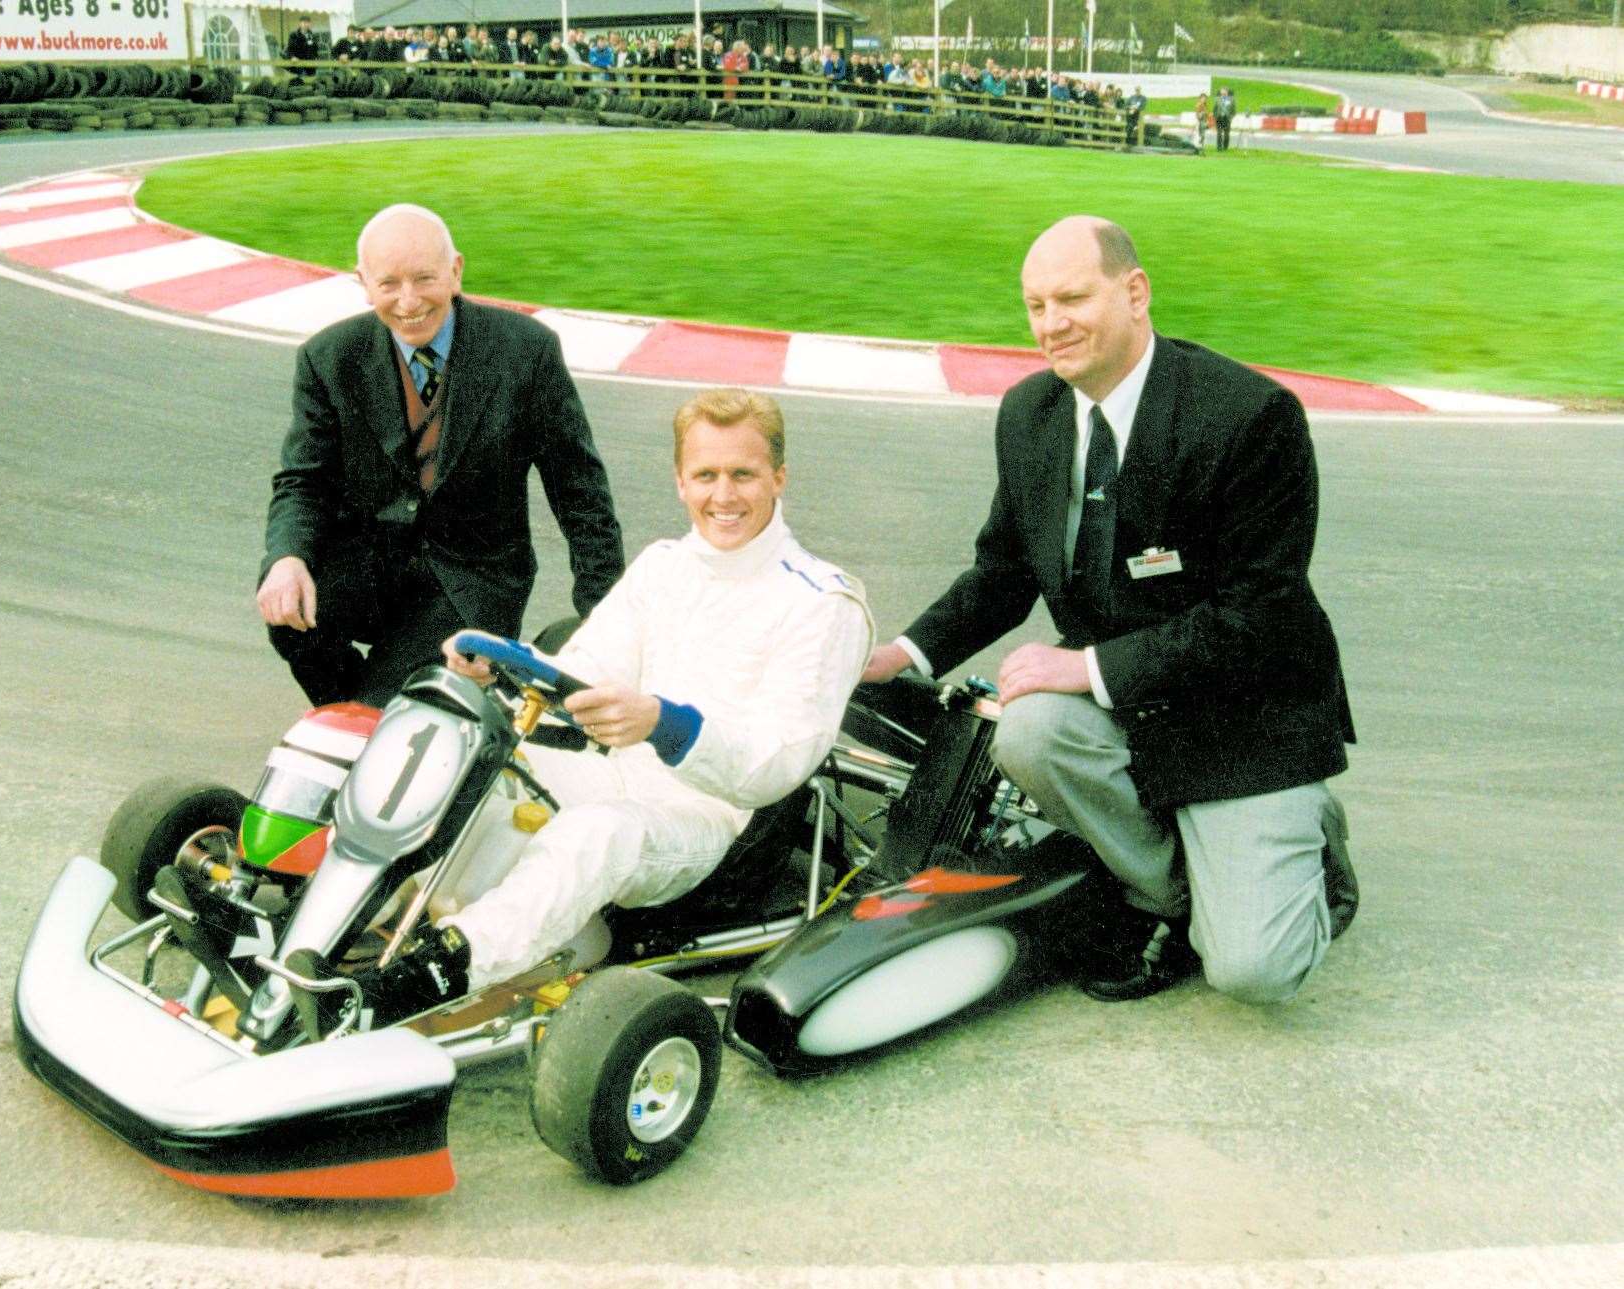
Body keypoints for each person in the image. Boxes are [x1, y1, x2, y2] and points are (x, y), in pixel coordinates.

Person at [861, 216, 1357, 1007]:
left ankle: (1310, 851)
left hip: (1243, 714)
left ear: (1134, 292)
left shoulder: (1249, 417)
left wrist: (1085, 666)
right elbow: (1004, 570)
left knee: (1255, 972)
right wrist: (902, 652)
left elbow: (1260, 614)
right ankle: (1166, 895)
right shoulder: (1029, 414)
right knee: (1024, 728)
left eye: (1069, 297)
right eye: (1033, 305)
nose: (1050, 325)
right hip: (1127, 705)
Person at [374, 389, 874, 1007]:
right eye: (706, 475)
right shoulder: (666, 564)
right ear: (680, 482)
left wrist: (665, 724)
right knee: (451, 750)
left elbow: (776, 764)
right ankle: (347, 907)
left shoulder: (823, 603)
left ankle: (429, 975)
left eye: (743, 475)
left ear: (778, 477)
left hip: (708, 817)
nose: (724, 496)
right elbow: (584, 671)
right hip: (610, 771)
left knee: (595, 835)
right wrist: (500, 669)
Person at [257, 205, 625, 710]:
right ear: (363, 284)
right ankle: (366, 718)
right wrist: (287, 558)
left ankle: (386, 717)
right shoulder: (328, 356)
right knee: (289, 615)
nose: (408, 302)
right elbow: (303, 480)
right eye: (388, 285)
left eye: (425, 279)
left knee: (392, 703)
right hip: (371, 566)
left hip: (472, 574)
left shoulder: (526, 351)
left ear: (456, 271)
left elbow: (579, 491)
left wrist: (604, 615)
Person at [1214, 85, 1236, 150]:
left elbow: (1233, 111)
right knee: (1219, 133)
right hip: (1219, 117)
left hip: (1227, 118)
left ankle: (1225, 147)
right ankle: (1219, 147)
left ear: (1227, 92)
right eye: (1222, 92)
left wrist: (1230, 118)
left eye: (1224, 92)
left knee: (1226, 134)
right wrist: (1215, 116)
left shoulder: (1231, 100)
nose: (1223, 94)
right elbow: (1215, 109)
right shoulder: (1217, 99)